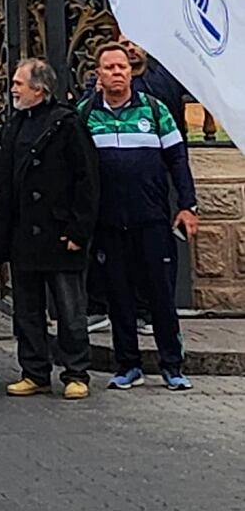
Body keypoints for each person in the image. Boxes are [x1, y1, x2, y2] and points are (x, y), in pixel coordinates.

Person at [81, 42, 199, 392]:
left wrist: (187, 206)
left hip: (151, 219)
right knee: (118, 296)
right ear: (98, 75)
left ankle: (172, 365)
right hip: (108, 222)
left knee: (160, 295)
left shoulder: (155, 108)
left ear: (130, 72)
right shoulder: (86, 113)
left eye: (122, 67)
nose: (117, 72)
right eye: (109, 68)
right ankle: (127, 364)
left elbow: (178, 160)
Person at [0, 59, 100, 400]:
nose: (13, 89)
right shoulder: (15, 124)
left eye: (19, 83)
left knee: (70, 311)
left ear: (39, 89)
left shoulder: (67, 124)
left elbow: (87, 181)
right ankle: (34, 371)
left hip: (60, 234)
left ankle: (76, 373)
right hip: (24, 237)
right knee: (27, 311)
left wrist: (78, 231)